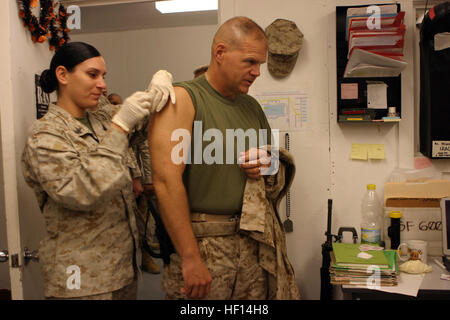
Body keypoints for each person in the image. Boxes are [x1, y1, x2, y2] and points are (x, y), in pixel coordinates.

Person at [149, 16, 300, 300]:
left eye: (260, 65)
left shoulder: (251, 107)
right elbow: (166, 182)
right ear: (220, 53)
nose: (256, 72)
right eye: (250, 62)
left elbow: (272, 166)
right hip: (204, 244)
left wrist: (266, 164)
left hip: (251, 242)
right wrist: (190, 257)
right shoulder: (183, 99)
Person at [21, 41, 175, 300]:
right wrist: (120, 126)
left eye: (103, 76)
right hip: (80, 279)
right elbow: (81, 191)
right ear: (62, 75)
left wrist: (162, 78)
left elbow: (149, 117)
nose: (102, 85)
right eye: (92, 75)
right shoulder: (45, 134)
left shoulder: (101, 118)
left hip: (121, 270)